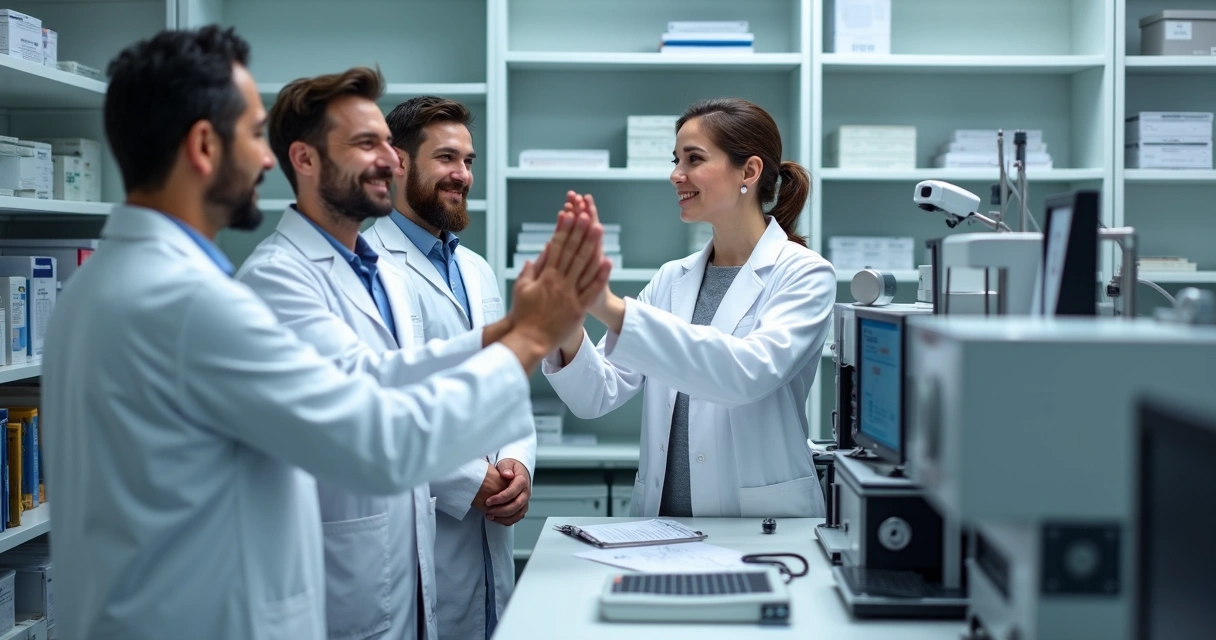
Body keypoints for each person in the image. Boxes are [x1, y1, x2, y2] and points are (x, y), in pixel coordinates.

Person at [42, 27, 609, 640]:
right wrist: (528, 341)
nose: (267, 158)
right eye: (254, 135)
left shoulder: (105, 281)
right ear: (205, 145)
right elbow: (380, 440)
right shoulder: (187, 302)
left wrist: (509, 330)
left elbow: (367, 376)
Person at [543, 97, 836, 520]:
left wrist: (605, 304)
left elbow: (746, 374)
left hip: (758, 524)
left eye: (693, 159)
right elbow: (596, 394)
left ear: (749, 172)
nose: (675, 175)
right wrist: (570, 314)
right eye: (676, 159)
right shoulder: (671, 278)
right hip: (663, 523)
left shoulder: (804, 274)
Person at [364, 96, 530, 640]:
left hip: (491, 525)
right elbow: (371, 408)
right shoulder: (366, 263)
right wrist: (467, 481)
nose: (463, 175)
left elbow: (506, 385)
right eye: (446, 159)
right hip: (420, 525)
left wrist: (517, 466)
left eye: (469, 161)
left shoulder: (477, 270)